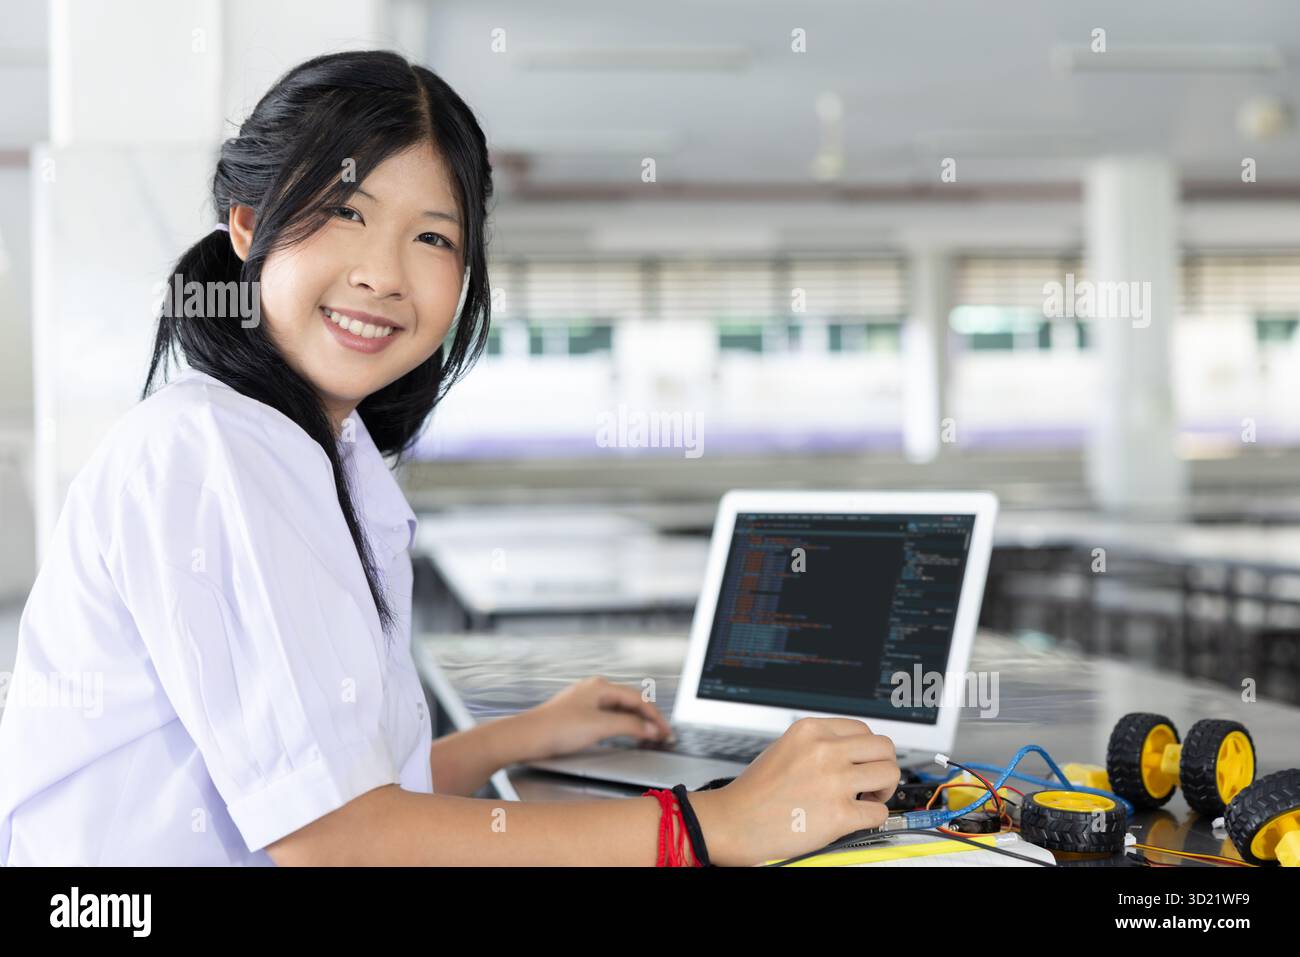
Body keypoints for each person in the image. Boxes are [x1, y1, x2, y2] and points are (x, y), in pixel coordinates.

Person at [0, 50, 898, 866]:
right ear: (248, 227)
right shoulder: (212, 447)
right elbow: (336, 838)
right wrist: (710, 826)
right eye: (345, 214)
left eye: (432, 236)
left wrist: (516, 738)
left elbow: (326, 777)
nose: (383, 274)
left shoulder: (316, 449)